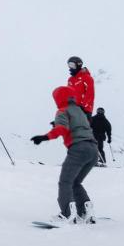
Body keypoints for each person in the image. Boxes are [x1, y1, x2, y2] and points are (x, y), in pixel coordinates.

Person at [31, 85, 98, 224]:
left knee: (65, 182)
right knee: (75, 182)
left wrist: (44, 137)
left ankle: (67, 214)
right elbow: (75, 125)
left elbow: (61, 129)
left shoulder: (62, 110)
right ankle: (86, 211)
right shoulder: (79, 111)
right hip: (93, 149)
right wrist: (57, 124)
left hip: (78, 149)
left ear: (58, 98)